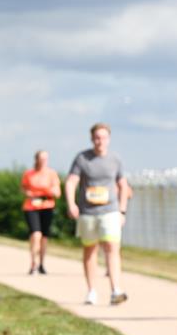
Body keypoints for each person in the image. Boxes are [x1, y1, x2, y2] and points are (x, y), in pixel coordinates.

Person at [65, 122, 130, 305]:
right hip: (88, 212)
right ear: (92, 138)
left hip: (110, 210)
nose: (100, 141)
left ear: (108, 139)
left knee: (112, 248)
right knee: (90, 250)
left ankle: (115, 289)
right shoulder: (82, 158)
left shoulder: (115, 160)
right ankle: (92, 291)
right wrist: (71, 204)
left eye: (103, 137)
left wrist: (122, 211)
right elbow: (71, 182)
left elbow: (123, 186)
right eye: (97, 137)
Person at [21, 150, 61, 274]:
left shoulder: (52, 174)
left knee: (44, 238)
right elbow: (23, 188)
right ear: (36, 159)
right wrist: (29, 193)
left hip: (47, 206)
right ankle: (33, 263)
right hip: (32, 206)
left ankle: (42, 264)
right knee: (35, 235)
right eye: (41, 158)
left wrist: (52, 191)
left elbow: (58, 193)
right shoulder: (29, 174)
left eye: (46, 159)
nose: (44, 161)